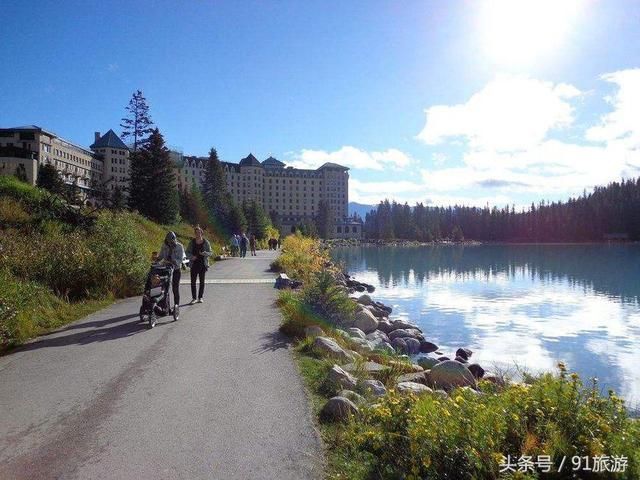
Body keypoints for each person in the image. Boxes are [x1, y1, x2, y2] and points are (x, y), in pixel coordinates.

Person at [157, 231, 186, 316]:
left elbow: (180, 260)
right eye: (168, 241)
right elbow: (161, 255)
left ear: (174, 239)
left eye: (171, 241)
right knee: (165, 289)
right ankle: (165, 307)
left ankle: (176, 306)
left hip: (176, 269)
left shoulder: (179, 247)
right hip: (166, 269)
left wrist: (173, 261)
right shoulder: (164, 245)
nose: (170, 243)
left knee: (175, 288)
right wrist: (157, 259)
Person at [186, 225, 212, 304]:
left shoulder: (206, 242)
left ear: (201, 233)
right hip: (194, 264)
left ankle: (200, 297)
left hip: (203, 264)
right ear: (195, 234)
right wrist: (191, 257)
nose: (198, 234)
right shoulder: (192, 242)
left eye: (199, 232)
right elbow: (187, 252)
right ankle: (194, 298)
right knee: (193, 282)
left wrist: (205, 253)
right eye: (196, 233)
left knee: (202, 281)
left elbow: (210, 253)